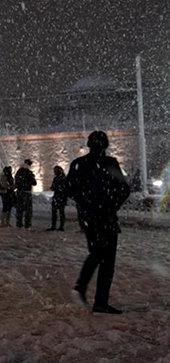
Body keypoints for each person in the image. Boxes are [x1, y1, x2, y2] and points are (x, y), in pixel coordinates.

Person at [67, 131, 130, 314]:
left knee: (96, 251)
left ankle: (82, 287)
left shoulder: (78, 164)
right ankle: (97, 298)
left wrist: (85, 203)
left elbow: (68, 188)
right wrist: (111, 204)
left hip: (88, 217)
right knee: (107, 258)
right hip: (106, 215)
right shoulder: (109, 164)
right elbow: (124, 189)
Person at [14, 159, 37, 228]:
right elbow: (34, 182)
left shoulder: (19, 172)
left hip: (19, 191)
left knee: (19, 208)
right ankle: (27, 223)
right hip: (26, 192)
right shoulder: (29, 173)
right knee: (28, 209)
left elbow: (17, 181)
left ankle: (19, 222)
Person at [48, 165, 68, 231]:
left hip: (58, 196)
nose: (54, 172)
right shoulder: (63, 178)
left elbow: (55, 187)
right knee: (60, 211)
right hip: (61, 196)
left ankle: (55, 226)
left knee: (56, 211)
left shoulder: (58, 178)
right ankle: (60, 226)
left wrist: (55, 188)